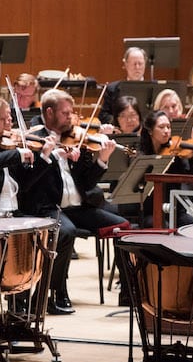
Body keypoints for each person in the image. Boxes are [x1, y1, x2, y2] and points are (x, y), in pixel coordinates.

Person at [19, 90, 128, 314]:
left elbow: (87, 181)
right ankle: (54, 292)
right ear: (49, 113)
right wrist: (53, 155)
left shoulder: (77, 137)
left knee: (123, 227)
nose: (71, 117)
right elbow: (27, 182)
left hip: (80, 207)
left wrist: (102, 160)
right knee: (65, 231)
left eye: (72, 112)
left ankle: (128, 292)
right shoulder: (34, 138)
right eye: (65, 113)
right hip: (48, 206)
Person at [99, 46, 149, 125]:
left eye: (140, 63)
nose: (137, 67)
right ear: (126, 64)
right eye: (134, 64)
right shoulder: (112, 88)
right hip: (120, 134)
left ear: (145, 64)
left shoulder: (154, 87)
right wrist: (121, 123)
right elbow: (104, 115)